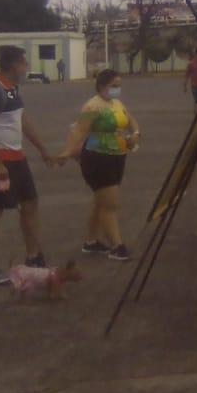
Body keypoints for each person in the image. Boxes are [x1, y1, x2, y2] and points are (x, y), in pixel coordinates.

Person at [0, 45, 55, 284]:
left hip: (17, 157)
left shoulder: (13, 88)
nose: (26, 67)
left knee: (30, 203)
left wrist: (41, 149)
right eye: (24, 63)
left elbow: (22, 120)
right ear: (14, 65)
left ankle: (33, 256)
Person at [58, 68, 140, 261]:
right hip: (98, 158)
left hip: (117, 156)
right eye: (114, 86)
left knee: (100, 202)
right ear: (102, 86)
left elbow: (130, 120)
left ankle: (91, 241)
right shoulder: (92, 107)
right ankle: (117, 246)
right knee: (110, 204)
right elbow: (79, 130)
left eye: (119, 86)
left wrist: (135, 134)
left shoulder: (116, 103)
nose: (117, 89)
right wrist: (67, 152)